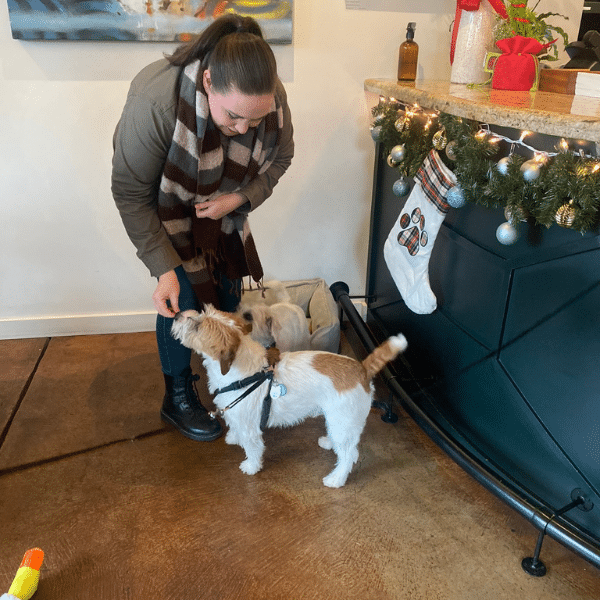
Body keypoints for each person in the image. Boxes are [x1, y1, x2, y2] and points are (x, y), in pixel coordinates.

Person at [111, 14, 294, 443]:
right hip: (168, 211)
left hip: (224, 213)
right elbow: (129, 192)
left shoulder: (265, 96)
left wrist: (238, 198)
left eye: (256, 118)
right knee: (184, 300)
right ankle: (177, 396)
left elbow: (281, 158)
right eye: (234, 117)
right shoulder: (154, 101)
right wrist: (163, 268)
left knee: (228, 292)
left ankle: (225, 372)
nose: (246, 129)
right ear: (209, 81)